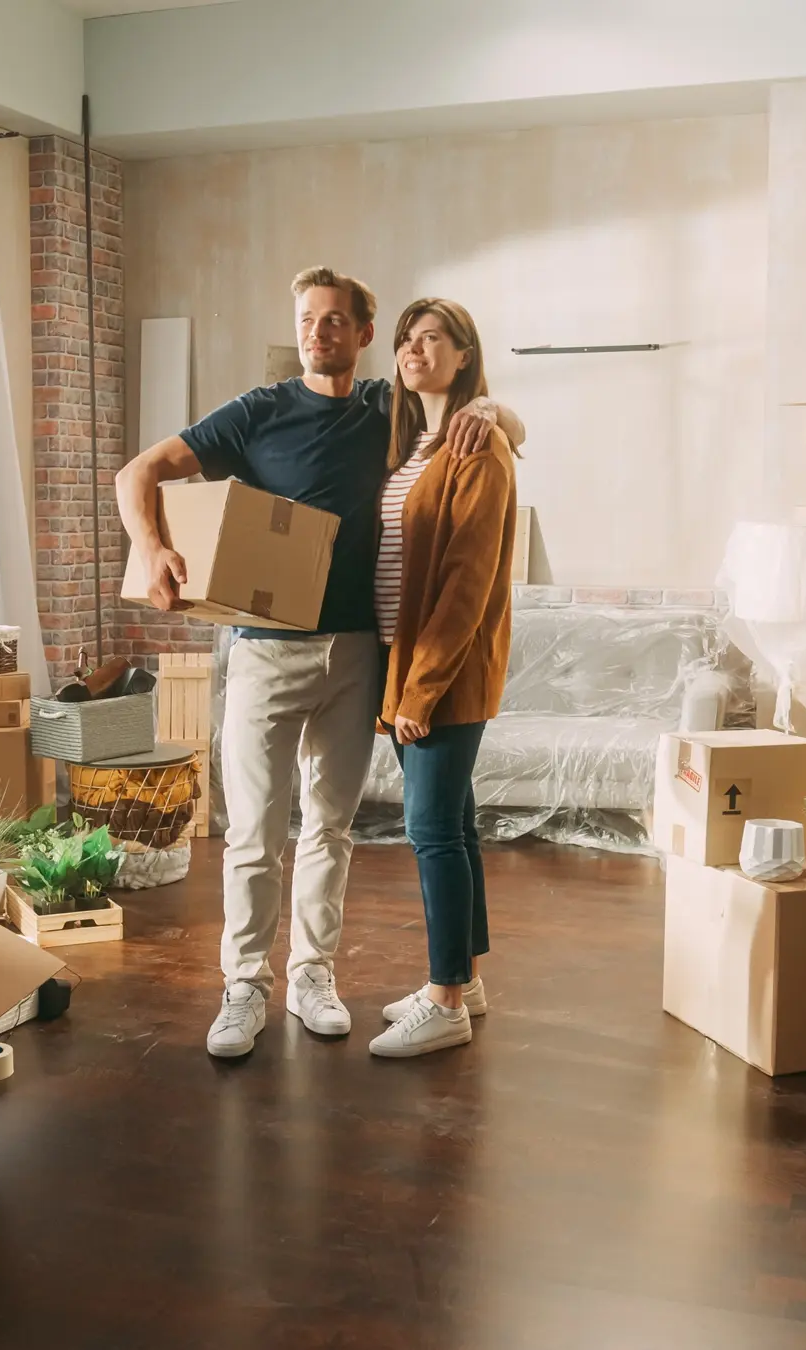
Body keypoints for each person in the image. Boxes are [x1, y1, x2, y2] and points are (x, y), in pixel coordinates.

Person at [115, 267, 522, 1060]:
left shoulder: (389, 409)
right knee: (253, 832)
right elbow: (139, 473)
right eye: (307, 319)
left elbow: (493, 426)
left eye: (336, 321)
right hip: (265, 654)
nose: (318, 333)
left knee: (331, 829)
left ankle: (313, 977)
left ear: (363, 335)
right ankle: (242, 988)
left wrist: (488, 408)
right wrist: (152, 544)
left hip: (360, 654)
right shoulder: (256, 411)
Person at [367, 299, 517, 1059]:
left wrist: (421, 692)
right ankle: (468, 981)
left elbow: (466, 584)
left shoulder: (477, 447)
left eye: (433, 339)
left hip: (445, 674)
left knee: (430, 834)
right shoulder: (412, 443)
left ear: (464, 356)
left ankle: (445, 1001)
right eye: (406, 338)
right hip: (406, 664)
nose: (414, 349)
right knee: (455, 828)